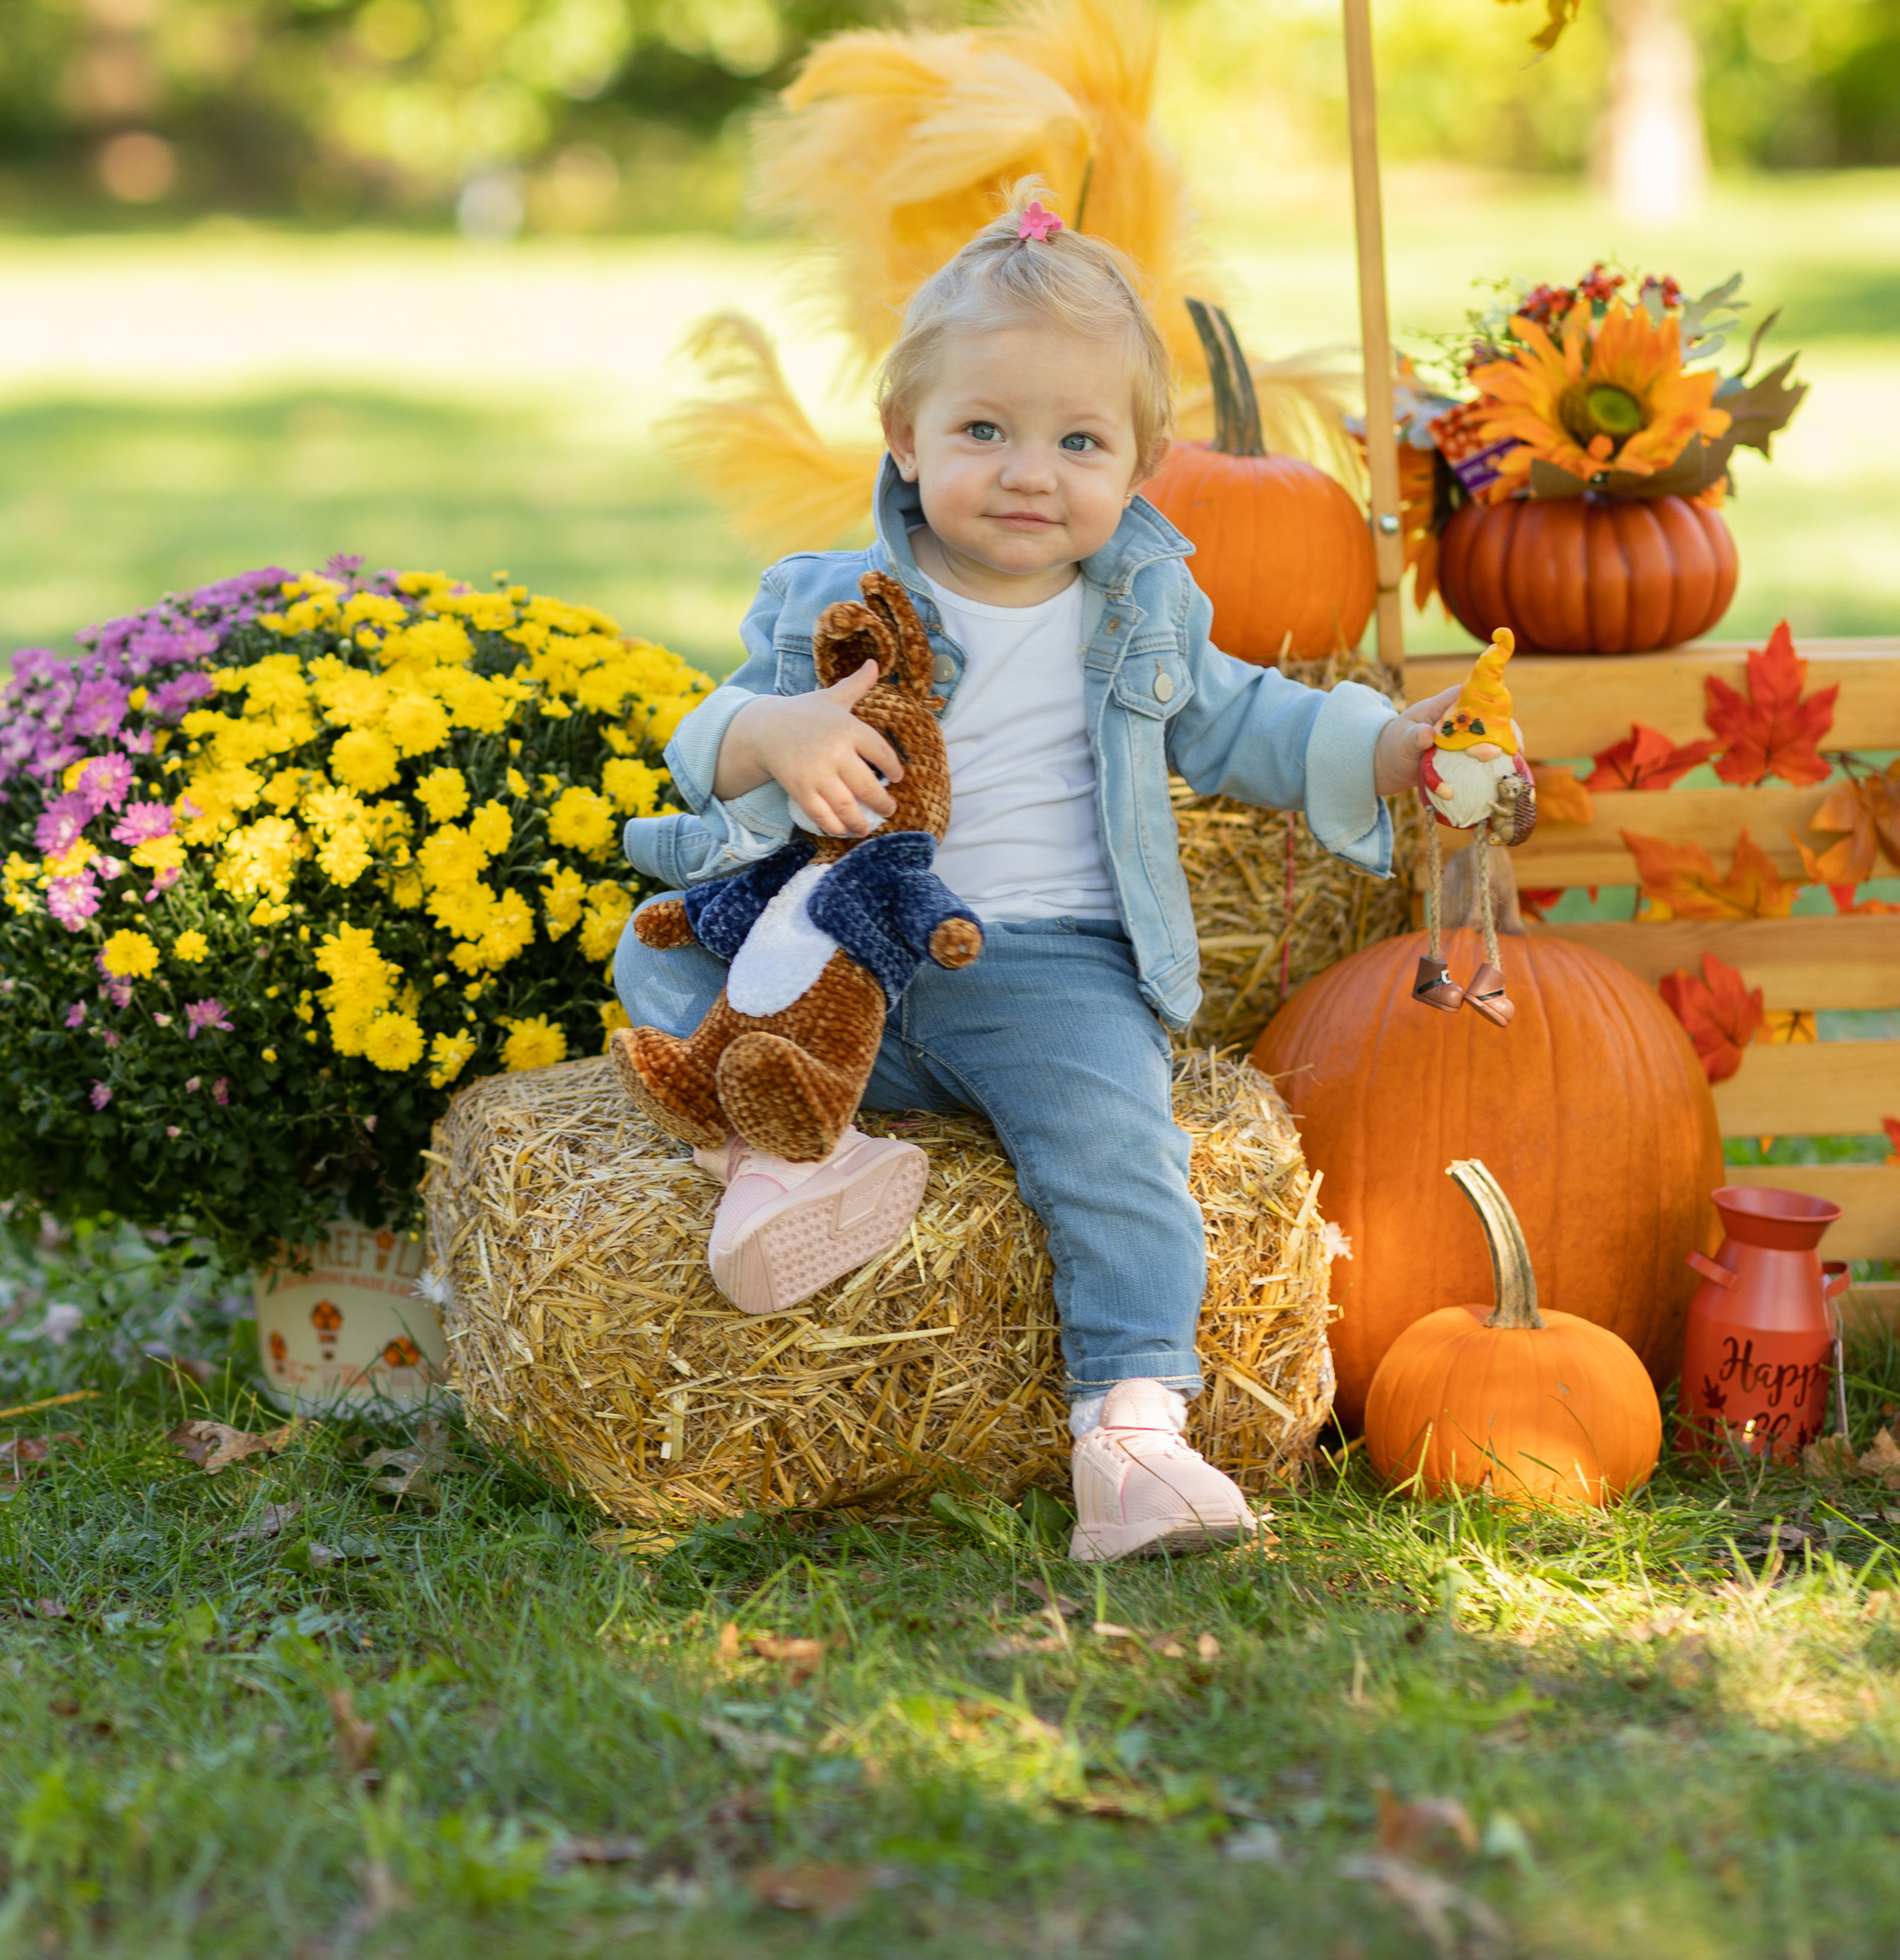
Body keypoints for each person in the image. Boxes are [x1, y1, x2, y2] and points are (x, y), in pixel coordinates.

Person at [614, 185, 1457, 1562]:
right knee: (657, 958)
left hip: (1042, 960)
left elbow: (1251, 722)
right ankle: (782, 1158)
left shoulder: (1139, 609)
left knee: (1116, 1153)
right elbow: (703, 737)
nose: (1028, 472)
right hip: (845, 947)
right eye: (984, 431)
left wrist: (1384, 746)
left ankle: (1130, 1436)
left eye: (1077, 441)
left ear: (1141, 466)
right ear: (905, 436)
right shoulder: (825, 596)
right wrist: (783, 730)